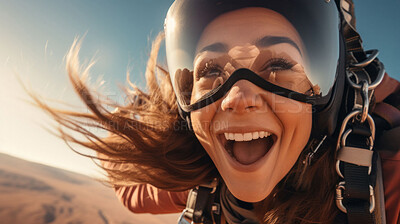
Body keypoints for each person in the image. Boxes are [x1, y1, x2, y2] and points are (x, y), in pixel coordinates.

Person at [34, 0, 399, 223]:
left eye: (277, 65)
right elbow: (128, 185)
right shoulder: (201, 171)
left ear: (335, 82)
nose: (237, 97)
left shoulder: (386, 179)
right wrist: (165, 129)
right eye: (210, 71)